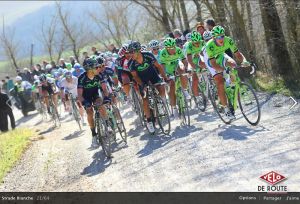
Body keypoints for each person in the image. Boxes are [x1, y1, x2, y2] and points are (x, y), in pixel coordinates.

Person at [205, 25, 250, 120]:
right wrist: (220, 69)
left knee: (233, 64)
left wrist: (244, 61)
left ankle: (231, 85)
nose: (221, 38)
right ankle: (226, 109)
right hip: (211, 61)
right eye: (218, 37)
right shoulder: (209, 45)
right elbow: (213, 64)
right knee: (220, 82)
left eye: (222, 36)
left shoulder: (228, 40)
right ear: (213, 38)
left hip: (221, 56)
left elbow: (237, 54)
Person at [128, 41, 168, 134]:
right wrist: (142, 85)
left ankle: (160, 103)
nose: (130, 54)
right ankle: (149, 121)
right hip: (142, 80)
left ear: (138, 51)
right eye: (129, 52)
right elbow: (135, 76)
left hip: (153, 75)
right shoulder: (131, 63)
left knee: (161, 88)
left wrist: (165, 77)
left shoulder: (148, 55)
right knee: (145, 99)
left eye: (132, 52)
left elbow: (158, 66)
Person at [77, 58, 109, 148]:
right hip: (85, 97)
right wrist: (84, 103)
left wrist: (106, 97)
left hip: (95, 94)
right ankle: (94, 135)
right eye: (96, 67)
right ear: (90, 69)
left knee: (101, 105)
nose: (98, 68)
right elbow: (79, 94)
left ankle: (107, 125)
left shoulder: (99, 75)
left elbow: (104, 89)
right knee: (89, 112)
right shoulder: (82, 78)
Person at [159, 37, 191, 117]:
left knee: (182, 71)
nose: (172, 49)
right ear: (166, 48)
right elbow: (162, 66)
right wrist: (165, 76)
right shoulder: (163, 53)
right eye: (169, 48)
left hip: (176, 65)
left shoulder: (178, 50)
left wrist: (187, 68)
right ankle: (174, 107)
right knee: (172, 87)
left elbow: (184, 60)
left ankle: (185, 90)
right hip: (168, 69)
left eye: (173, 47)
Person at [185, 31, 206, 104]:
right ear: (192, 41)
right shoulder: (189, 46)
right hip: (190, 60)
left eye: (198, 42)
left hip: (197, 57)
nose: (197, 44)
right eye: (195, 43)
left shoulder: (202, 42)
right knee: (195, 79)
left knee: (204, 64)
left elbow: (206, 54)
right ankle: (197, 97)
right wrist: (196, 69)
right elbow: (190, 61)